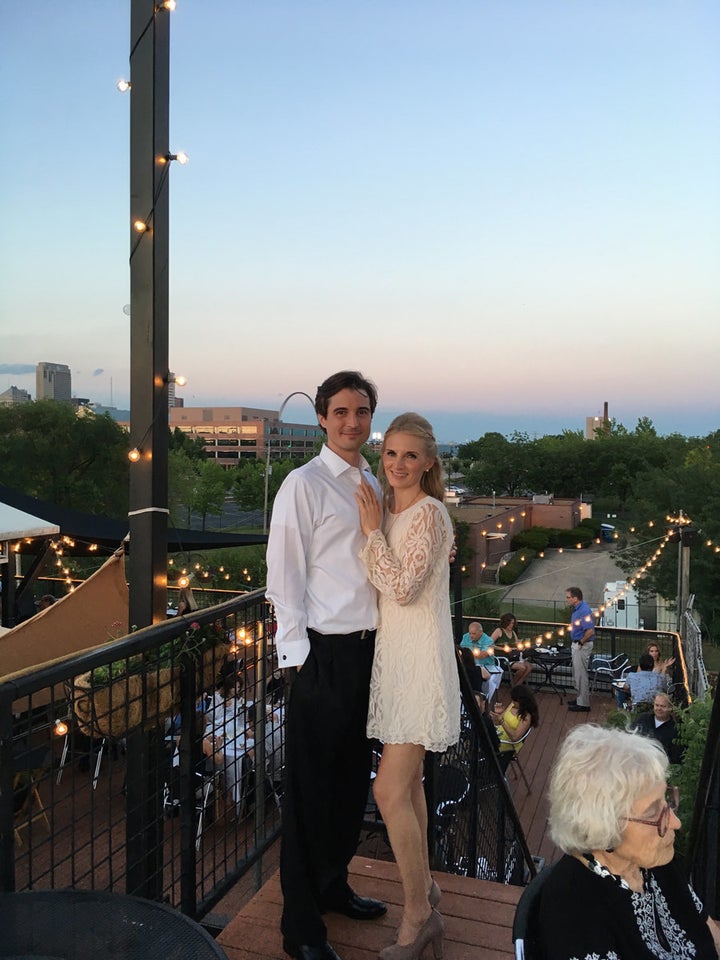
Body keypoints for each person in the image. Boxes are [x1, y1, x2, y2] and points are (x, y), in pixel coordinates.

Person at [266, 371, 386, 960]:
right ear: (321, 417)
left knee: (348, 784)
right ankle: (301, 929)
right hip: (324, 656)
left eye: (361, 412)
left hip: (370, 654)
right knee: (310, 793)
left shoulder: (373, 482)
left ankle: (334, 886)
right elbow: (283, 579)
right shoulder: (303, 485)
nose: (351, 422)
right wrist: (298, 663)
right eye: (340, 412)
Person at [356, 412, 460, 960]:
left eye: (410, 456)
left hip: (418, 664)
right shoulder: (395, 511)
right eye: (391, 454)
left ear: (429, 462)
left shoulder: (428, 515)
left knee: (388, 790)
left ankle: (419, 915)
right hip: (394, 660)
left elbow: (399, 587)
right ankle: (428, 891)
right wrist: (378, 530)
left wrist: (372, 534)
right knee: (412, 782)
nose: (398, 464)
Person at [534, 725, 720, 958]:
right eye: (653, 812)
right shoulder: (572, 911)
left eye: (667, 800)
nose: (675, 822)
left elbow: (707, 926)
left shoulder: (656, 859)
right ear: (603, 825)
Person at [491, 684, 539, 773]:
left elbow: (515, 737)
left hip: (509, 743)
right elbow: (498, 722)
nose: (513, 702)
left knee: (484, 744)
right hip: (499, 734)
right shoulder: (512, 705)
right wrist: (499, 714)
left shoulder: (526, 717)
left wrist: (501, 722)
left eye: (515, 700)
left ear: (522, 701)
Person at [566, 586, 595, 713]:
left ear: (575, 598)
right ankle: (579, 699)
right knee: (577, 673)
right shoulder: (577, 609)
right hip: (577, 644)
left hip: (581, 645)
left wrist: (580, 643)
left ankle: (583, 704)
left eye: (568, 597)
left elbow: (590, 631)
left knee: (581, 674)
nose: (567, 600)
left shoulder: (584, 611)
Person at [635, 692, 684, 765]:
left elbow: (676, 759)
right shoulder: (643, 720)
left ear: (670, 708)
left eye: (663, 706)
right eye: (657, 705)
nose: (659, 708)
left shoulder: (675, 730)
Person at [460, 621, 503, 701]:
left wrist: (468, 653)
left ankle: (483, 699)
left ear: (481, 632)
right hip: (470, 666)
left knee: (482, 678)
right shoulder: (465, 637)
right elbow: (462, 651)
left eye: (474, 634)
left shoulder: (488, 640)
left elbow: (483, 655)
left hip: (486, 667)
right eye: (470, 633)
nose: (471, 636)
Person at [491, 613, 533, 685]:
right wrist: (503, 649)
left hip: (513, 657)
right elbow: (489, 644)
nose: (511, 625)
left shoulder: (513, 632)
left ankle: (517, 685)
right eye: (510, 623)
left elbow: (517, 644)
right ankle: (514, 685)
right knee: (522, 668)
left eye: (513, 623)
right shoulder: (499, 631)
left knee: (529, 667)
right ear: (505, 623)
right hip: (503, 658)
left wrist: (522, 646)